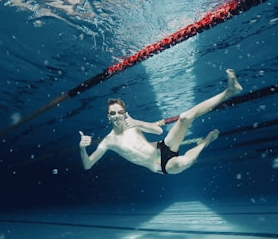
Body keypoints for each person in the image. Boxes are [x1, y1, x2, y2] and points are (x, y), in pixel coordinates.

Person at [79, 69, 243, 174]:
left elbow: (158, 132)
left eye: (120, 112)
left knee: (185, 117)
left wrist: (138, 123)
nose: (116, 115)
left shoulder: (133, 125)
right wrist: (82, 149)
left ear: (124, 113)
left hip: (165, 146)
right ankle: (205, 142)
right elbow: (88, 165)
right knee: (184, 162)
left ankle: (229, 91)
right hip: (160, 165)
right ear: (108, 116)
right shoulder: (108, 142)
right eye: (112, 113)